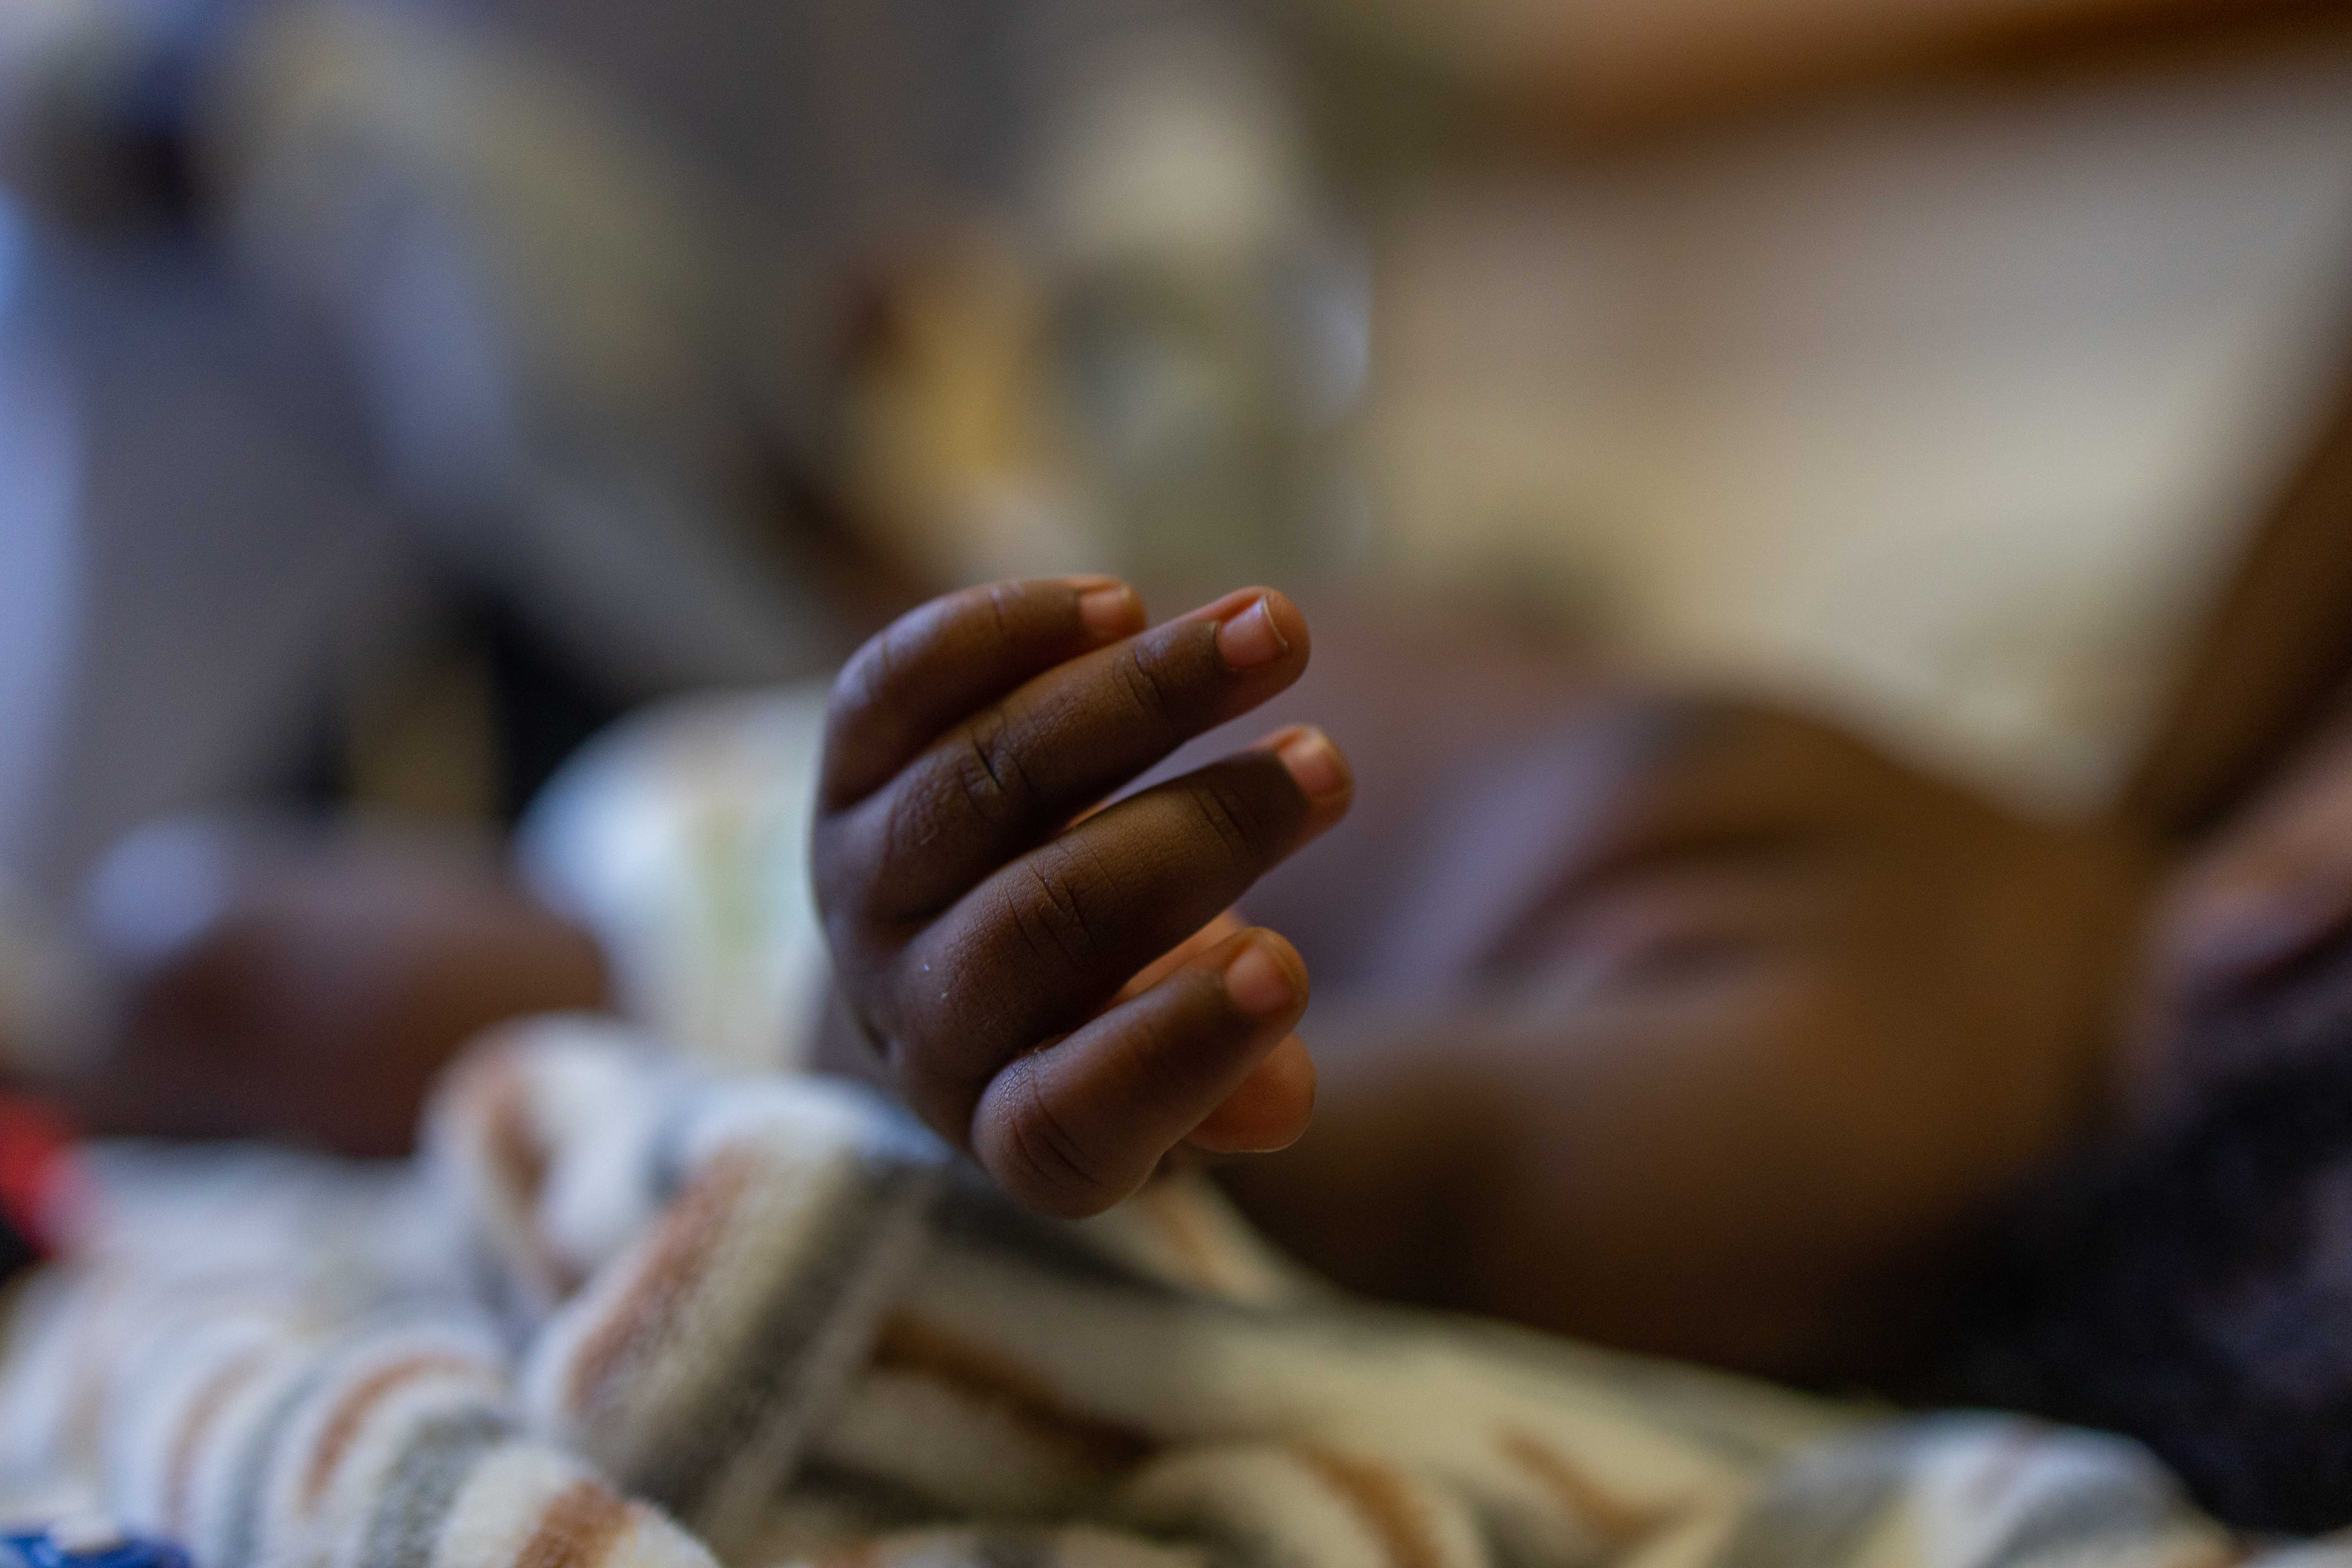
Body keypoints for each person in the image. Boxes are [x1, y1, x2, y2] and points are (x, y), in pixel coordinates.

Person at [807, 346, 2352, 1533]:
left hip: (875, 861)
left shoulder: (1824, 1098)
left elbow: (1217, 1142)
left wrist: (933, 1029)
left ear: (2292, 920)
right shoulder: (2071, 895)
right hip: (931, 727)